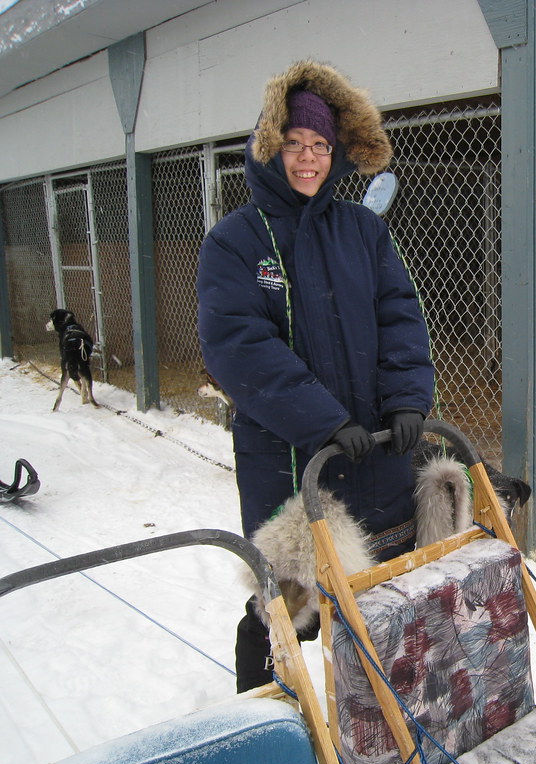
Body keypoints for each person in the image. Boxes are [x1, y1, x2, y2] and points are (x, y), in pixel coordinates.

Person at [196, 60, 434, 692]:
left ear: (337, 152)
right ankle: (260, 715)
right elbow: (238, 348)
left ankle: (373, 716)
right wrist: (324, 420)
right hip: (291, 457)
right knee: (286, 607)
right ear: (271, 146)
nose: (308, 159)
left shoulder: (364, 231)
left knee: (378, 596)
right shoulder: (235, 242)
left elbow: (399, 317)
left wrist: (407, 399)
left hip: (378, 453)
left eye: (321, 146)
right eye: (296, 144)